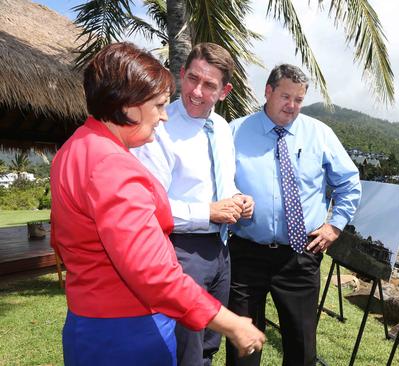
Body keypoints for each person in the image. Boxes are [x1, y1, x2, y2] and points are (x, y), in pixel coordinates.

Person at [50, 42, 264, 365]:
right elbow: (152, 274)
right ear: (130, 105)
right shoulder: (112, 166)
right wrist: (231, 323)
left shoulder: (74, 148)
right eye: (159, 105)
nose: (165, 116)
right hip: (126, 330)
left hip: (91, 320)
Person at [226, 64, 362, 366]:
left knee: (302, 350)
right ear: (268, 91)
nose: (292, 106)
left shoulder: (319, 133)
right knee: (242, 347)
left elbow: (349, 183)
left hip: (301, 256)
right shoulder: (235, 131)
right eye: (285, 97)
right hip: (246, 255)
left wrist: (334, 227)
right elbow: (219, 182)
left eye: (298, 100)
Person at [132, 43, 254, 366]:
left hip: (221, 252)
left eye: (209, 85)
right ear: (181, 74)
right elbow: (149, 206)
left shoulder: (224, 129)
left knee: (208, 347)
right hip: (180, 251)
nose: (196, 91)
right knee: (185, 350)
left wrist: (239, 199)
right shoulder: (159, 127)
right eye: (192, 79)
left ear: (225, 91)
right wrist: (209, 212)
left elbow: (222, 185)